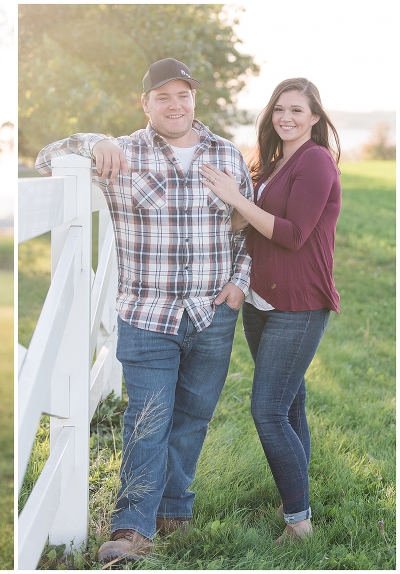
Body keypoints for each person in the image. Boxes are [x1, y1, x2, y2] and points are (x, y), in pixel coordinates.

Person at [35, 58, 253, 562]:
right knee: (147, 419)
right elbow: (47, 158)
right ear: (146, 103)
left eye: (183, 95)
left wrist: (239, 283)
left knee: (193, 417)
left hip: (212, 315)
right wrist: (93, 142)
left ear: (195, 98)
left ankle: (174, 506)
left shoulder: (226, 154)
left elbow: (249, 225)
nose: (174, 105)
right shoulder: (123, 153)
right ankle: (132, 527)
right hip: (147, 315)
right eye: (163, 97)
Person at [199, 78, 340, 544]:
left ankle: (298, 522)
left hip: (298, 305)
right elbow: (250, 224)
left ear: (315, 117)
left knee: (268, 410)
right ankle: (296, 493)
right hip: (261, 301)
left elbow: (294, 233)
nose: (287, 118)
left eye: (298, 110)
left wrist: (238, 199)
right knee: (290, 401)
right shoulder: (275, 162)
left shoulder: (316, 161)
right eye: (280, 109)